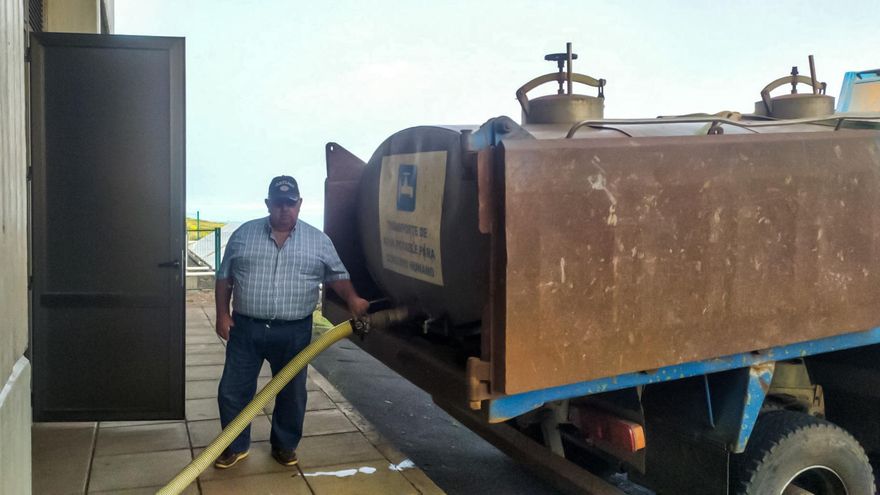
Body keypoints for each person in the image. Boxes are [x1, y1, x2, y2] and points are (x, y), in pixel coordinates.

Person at [213, 175, 369, 469]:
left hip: (294, 331)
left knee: (292, 392)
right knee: (233, 390)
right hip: (246, 329)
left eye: (290, 203)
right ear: (267, 203)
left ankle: (284, 445)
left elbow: (337, 275)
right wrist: (222, 314)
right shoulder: (244, 234)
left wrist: (353, 299)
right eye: (278, 203)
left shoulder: (318, 240)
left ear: (299, 204)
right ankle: (234, 446)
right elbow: (225, 277)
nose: (284, 209)